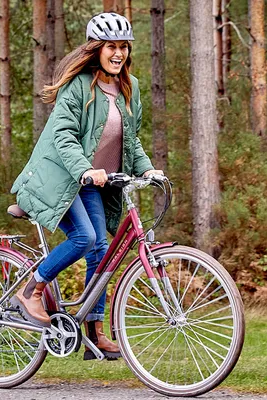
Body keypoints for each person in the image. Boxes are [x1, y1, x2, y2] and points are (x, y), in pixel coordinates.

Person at [9, 12, 164, 360]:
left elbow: (130, 140)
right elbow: (63, 135)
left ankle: (93, 331)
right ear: (97, 50)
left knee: (101, 251)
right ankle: (32, 289)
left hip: (94, 182)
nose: (119, 53)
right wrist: (85, 170)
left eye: (124, 47)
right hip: (58, 179)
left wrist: (149, 170)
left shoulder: (130, 87)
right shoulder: (77, 86)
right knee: (86, 238)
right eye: (112, 46)